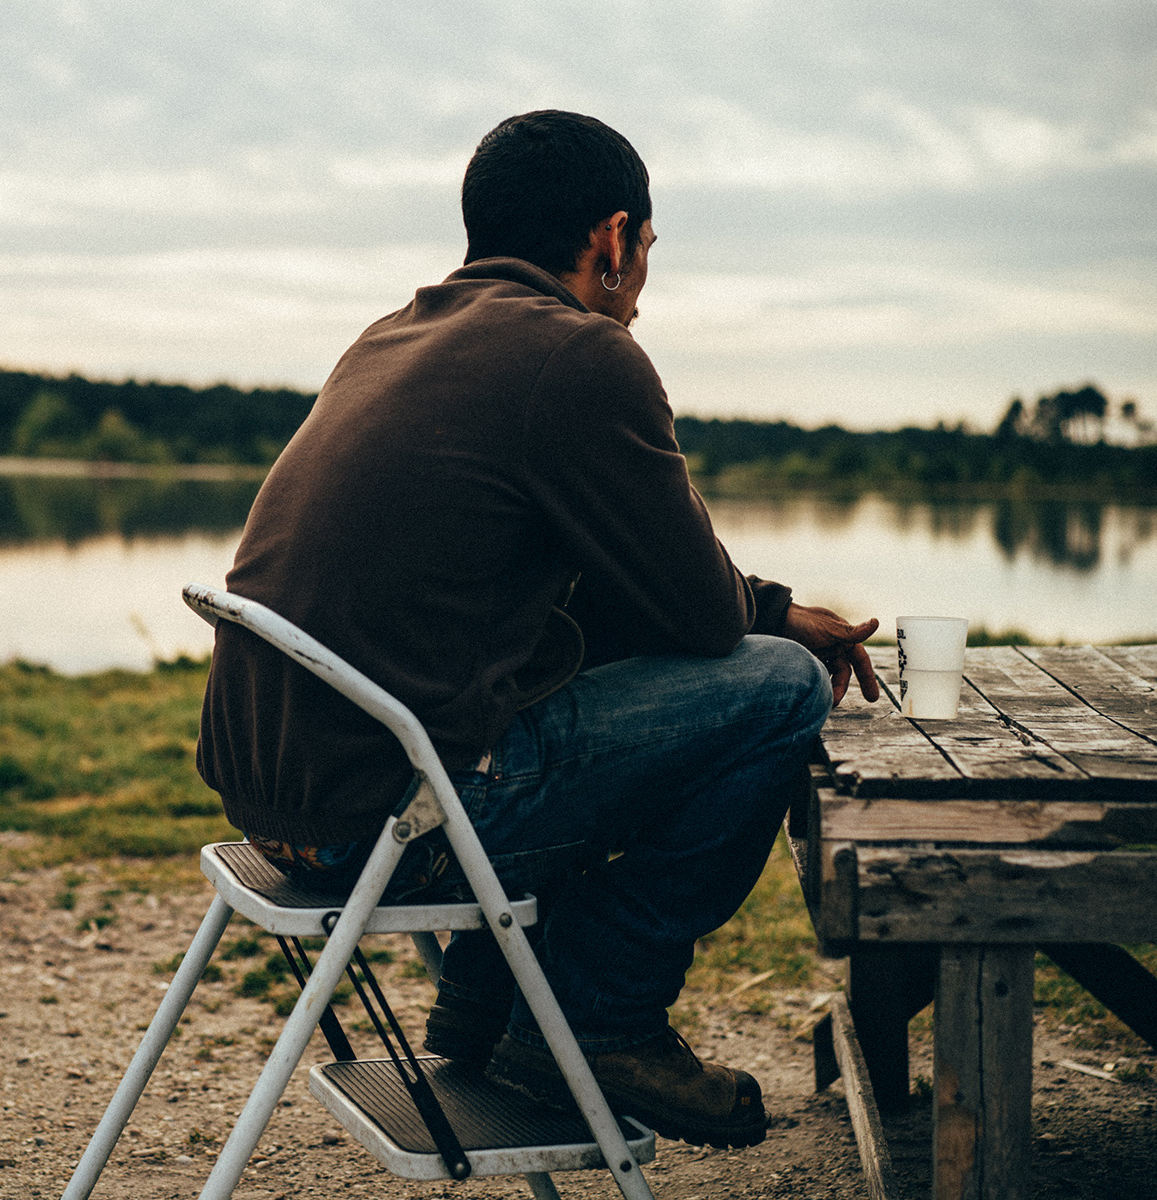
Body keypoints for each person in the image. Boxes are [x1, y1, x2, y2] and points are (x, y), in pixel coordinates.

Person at [194, 110, 879, 1150]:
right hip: (389, 819)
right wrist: (782, 625)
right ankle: (604, 1017)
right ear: (611, 239)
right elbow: (696, 614)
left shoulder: (397, 335)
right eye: (646, 250)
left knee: (583, 654)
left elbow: (619, 597)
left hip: (277, 795)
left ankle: (488, 1002)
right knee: (777, 688)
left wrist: (774, 603)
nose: (643, 277)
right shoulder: (580, 355)